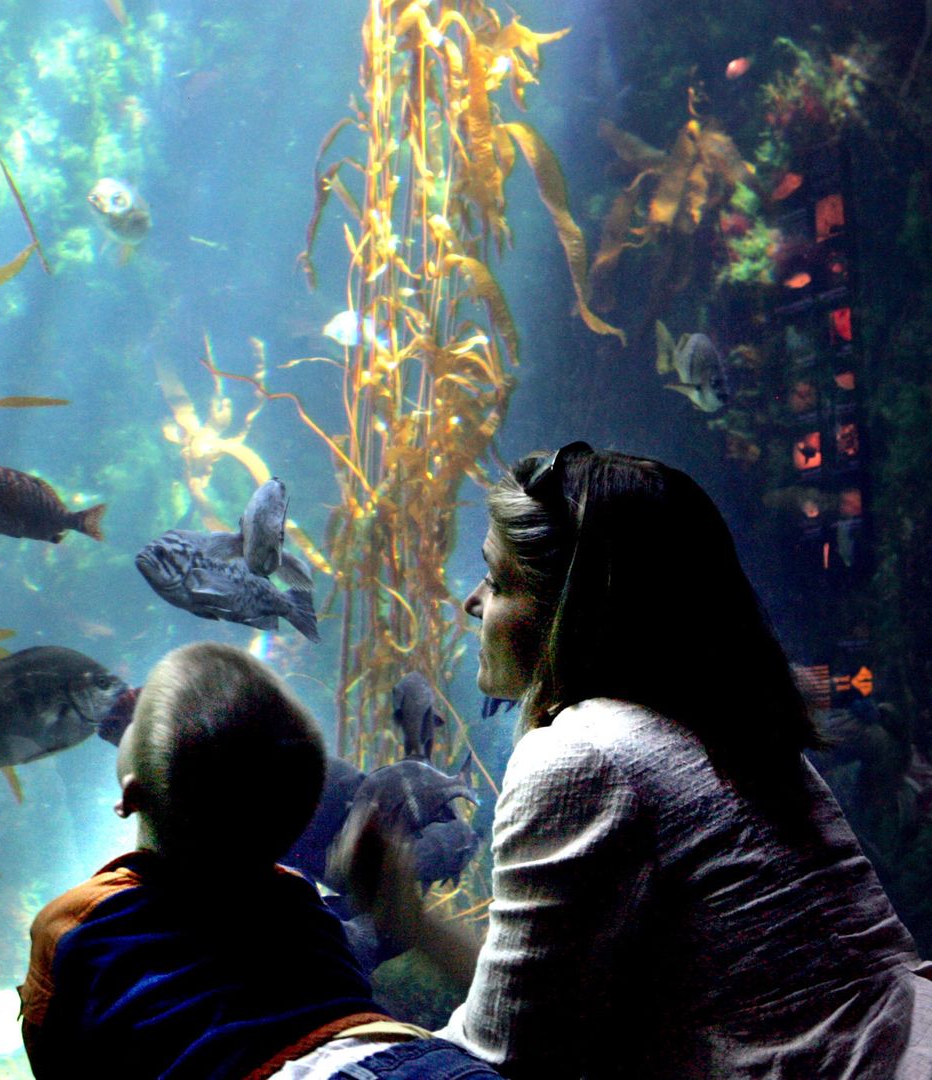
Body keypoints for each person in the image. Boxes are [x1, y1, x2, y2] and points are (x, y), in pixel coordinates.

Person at [343, 442, 932, 1078]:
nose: (473, 604)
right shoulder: (722, 725)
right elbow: (533, 1002)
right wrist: (410, 918)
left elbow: (502, 1055)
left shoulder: (584, 755)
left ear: (568, 610)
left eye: (499, 579)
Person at [18, 641, 506, 1079]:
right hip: (422, 1063)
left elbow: (59, 1059)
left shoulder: (81, 922)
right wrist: (400, 910)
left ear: (130, 797)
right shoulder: (300, 899)